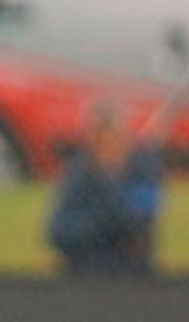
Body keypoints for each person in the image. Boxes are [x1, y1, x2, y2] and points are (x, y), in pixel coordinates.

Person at [47, 100, 165, 276]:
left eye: (112, 135)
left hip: (131, 274)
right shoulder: (78, 175)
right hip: (84, 271)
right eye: (100, 137)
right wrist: (100, 224)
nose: (107, 144)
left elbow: (139, 225)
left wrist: (109, 187)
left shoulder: (142, 172)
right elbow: (59, 232)